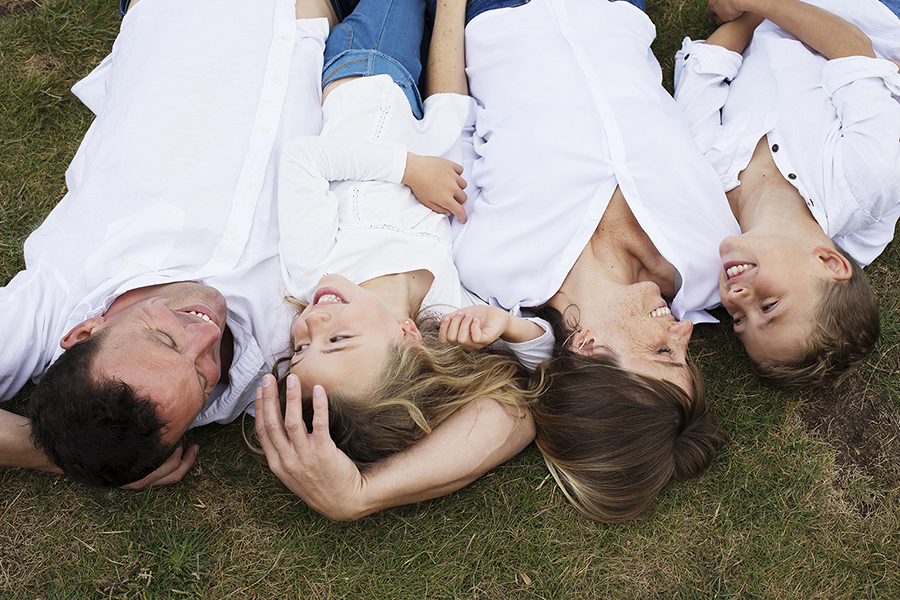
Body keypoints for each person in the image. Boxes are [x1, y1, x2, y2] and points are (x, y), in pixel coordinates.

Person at [0, 0, 334, 487]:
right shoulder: (283, 363)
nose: (206, 336)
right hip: (326, 25)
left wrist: (51, 453)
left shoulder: (51, 304)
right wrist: (360, 495)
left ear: (85, 332)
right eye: (201, 378)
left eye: (162, 338)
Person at [253, 0, 552, 516]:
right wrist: (510, 326)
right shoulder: (449, 309)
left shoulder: (313, 274)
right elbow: (539, 365)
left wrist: (409, 168)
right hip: (450, 115)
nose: (311, 325)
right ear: (408, 336)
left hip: (368, 74)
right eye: (337, 340)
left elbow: (304, 160)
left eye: (299, 350)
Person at [447, 0, 736, 521]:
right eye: (685, 354)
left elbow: (451, 120)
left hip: (501, 17)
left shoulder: (491, 266)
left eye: (663, 353)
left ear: (586, 347)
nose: (685, 333)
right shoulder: (715, 256)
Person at [674, 0, 900, 386]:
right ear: (830, 263)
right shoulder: (861, 184)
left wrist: (751, 17)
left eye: (739, 320)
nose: (736, 298)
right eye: (769, 306)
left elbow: (706, 72)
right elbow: (850, 46)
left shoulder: (707, 190)